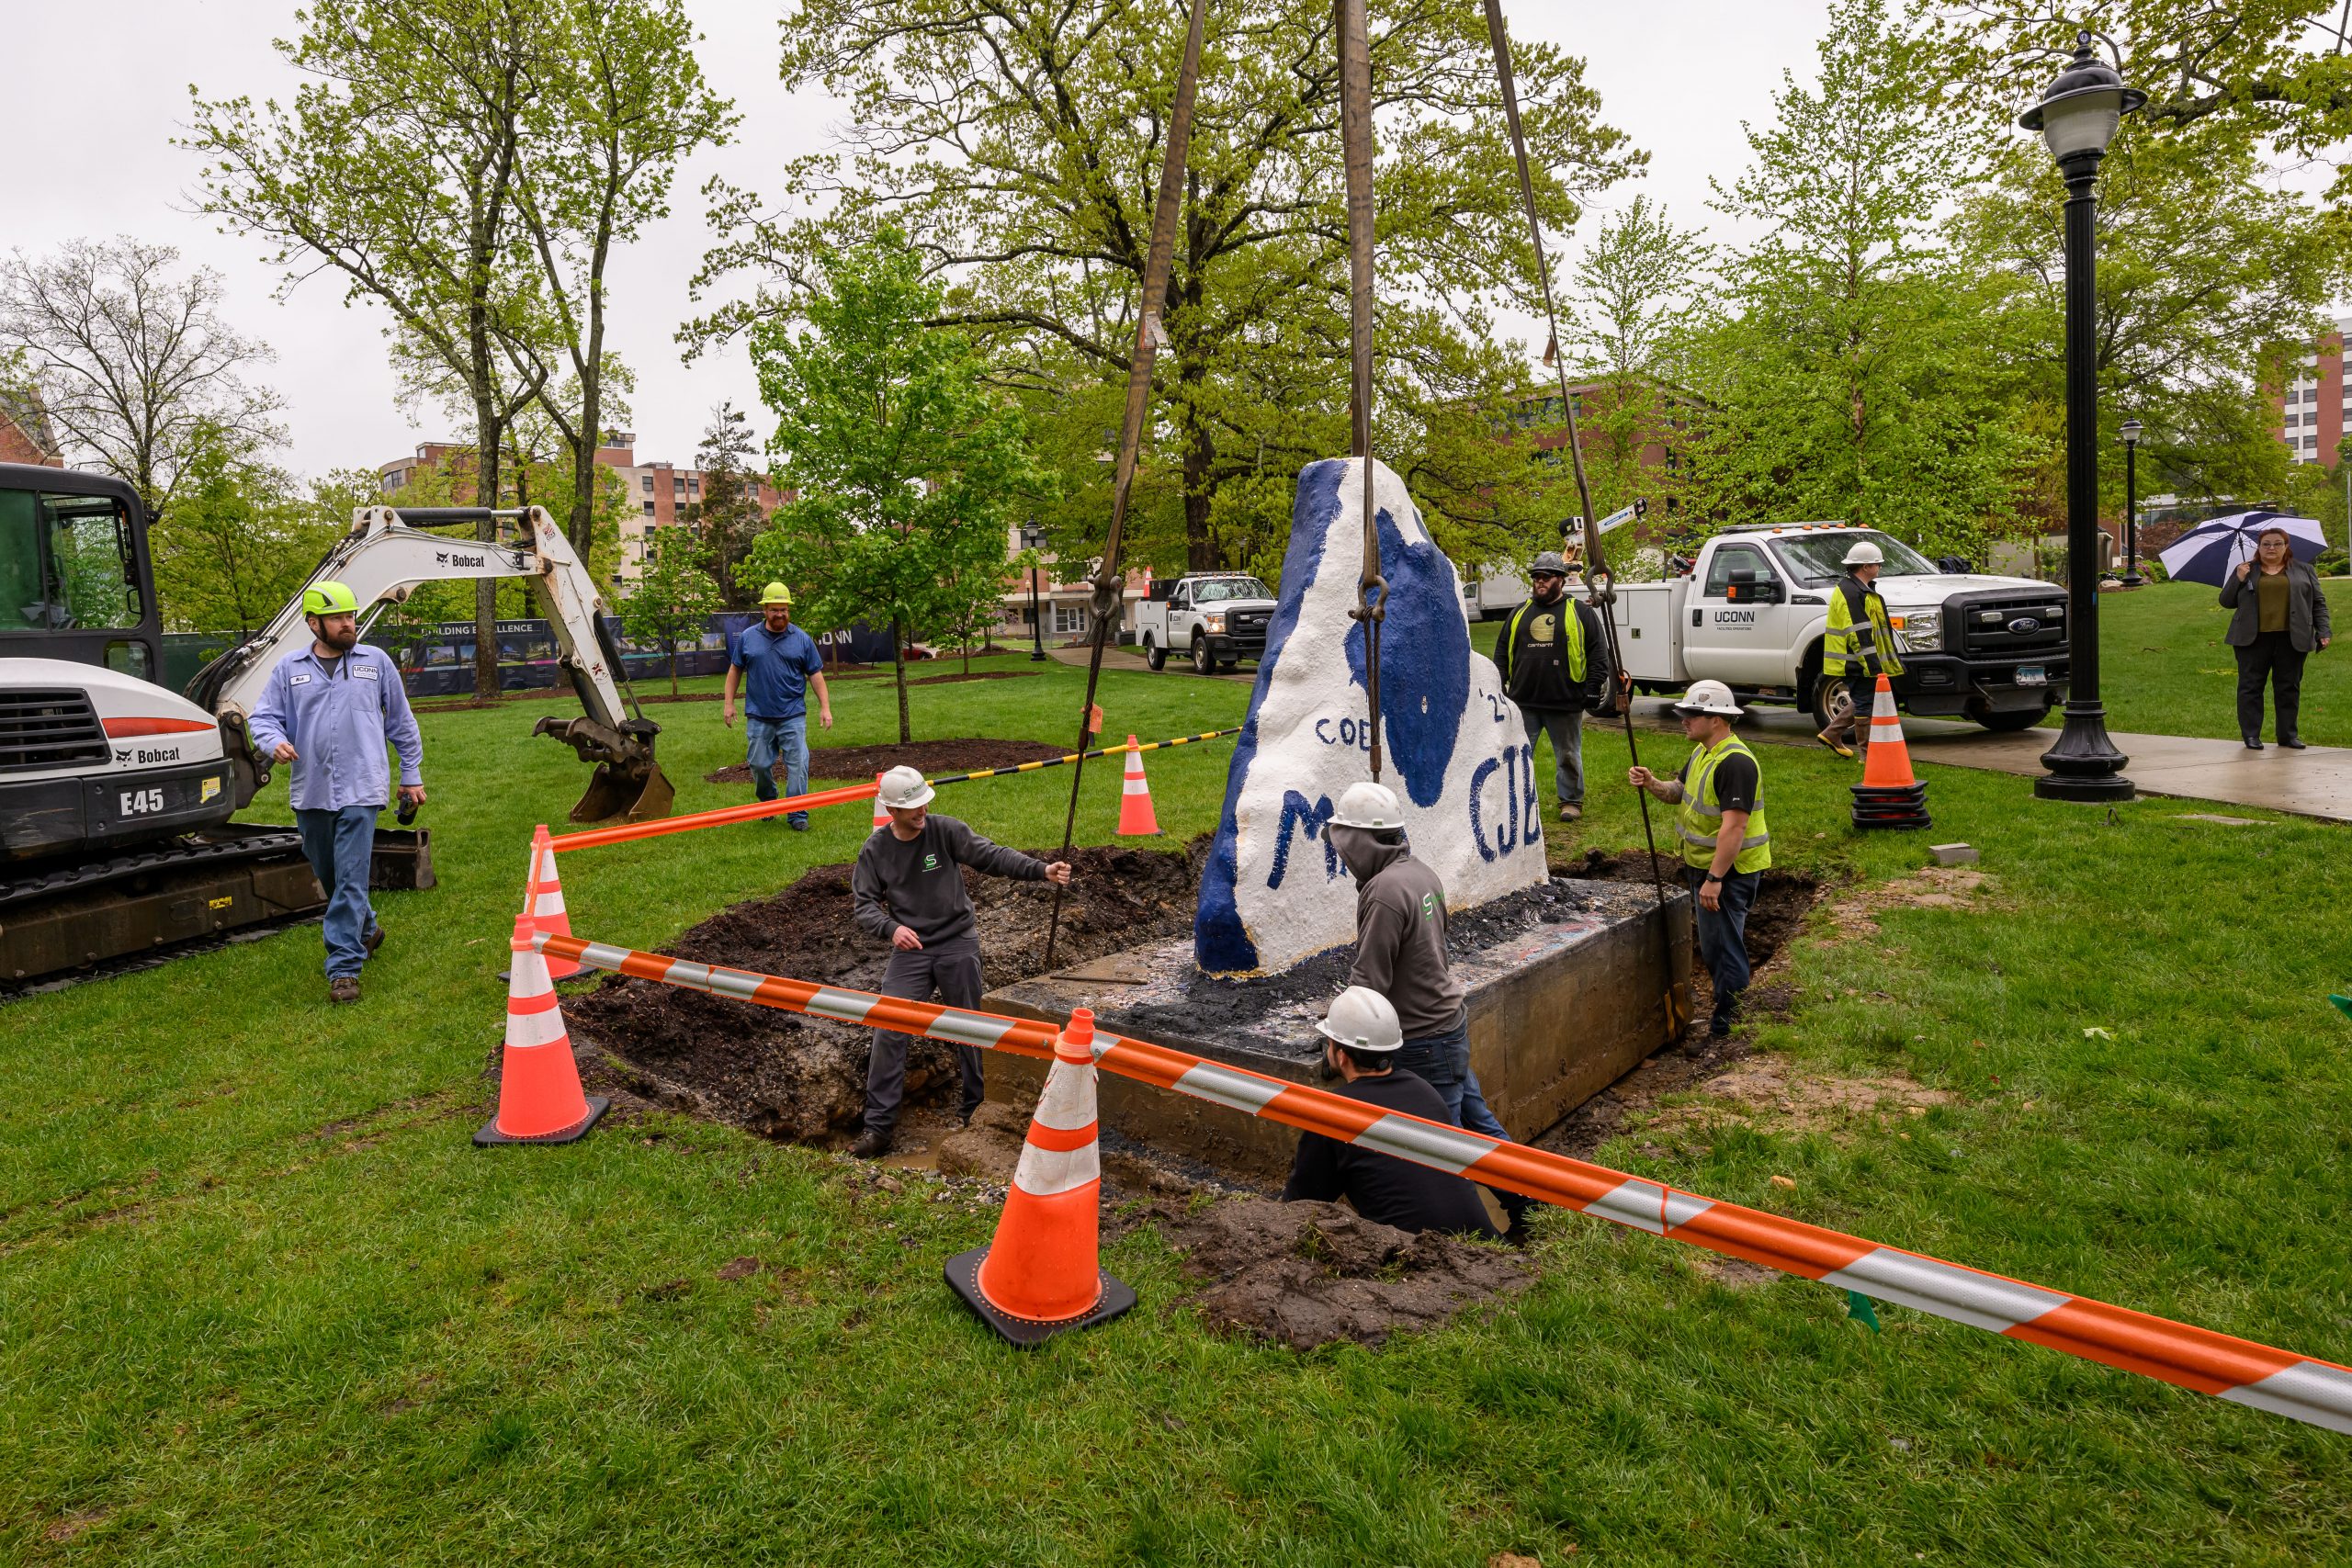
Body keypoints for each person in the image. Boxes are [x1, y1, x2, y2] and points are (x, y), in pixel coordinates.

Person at [1325, 779, 1530, 1239]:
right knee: (1482, 1130)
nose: (1341, 855)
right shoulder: (1420, 874)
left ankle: (1468, 1247)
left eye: (1344, 845)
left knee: (1444, 1153)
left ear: (1359, 841)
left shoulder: (1382, 892)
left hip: (1421, 1040)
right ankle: (1533, 1208)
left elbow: (1369, 982)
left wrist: (1337, 1043)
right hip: (1449, 1026)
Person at [848, 765, 1071, 1157]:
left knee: (972, 1028)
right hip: (910, 950)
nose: (922, 812)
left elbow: (990, 855)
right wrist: (890, 929)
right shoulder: (876, 850)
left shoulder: (944, 830)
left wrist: (1040, 870)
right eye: (913, 807)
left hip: (956, 943)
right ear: (891, 810)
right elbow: (864, 905)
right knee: (888, 1026)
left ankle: (976, 1111)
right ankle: (878, 1128)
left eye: (924, 804)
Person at [245, 580, 424, 1005]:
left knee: (349, 877)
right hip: (312, 791)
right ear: (313, 623)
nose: (349, 625)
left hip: (363, 786)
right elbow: (264, 718)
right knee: (328, 871)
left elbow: (401, 721)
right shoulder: (290, 668)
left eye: (352, 616)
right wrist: (273, 742)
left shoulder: (376, 662)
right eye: (339, 618)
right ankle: (367, 928)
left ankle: (344, 967)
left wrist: (411, 773)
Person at [1282, 987, 1503, 1239]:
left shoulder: (1333, 1113)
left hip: (1423, 1257)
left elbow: (1302, 1205)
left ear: (1341, 1056)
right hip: (1485, 1247)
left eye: (1330, 1043)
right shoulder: (1424, 1091)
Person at [1628, 680, 1770, 1039]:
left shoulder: (1736, 763)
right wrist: (1651, 783)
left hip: (1728, 874)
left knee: (1723, 950)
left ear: (1718, 720)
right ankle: (1727, 1015)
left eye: (1692, 714)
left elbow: (1734, 828)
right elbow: (1678, 793)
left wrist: (1715, 879)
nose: (1683, 720)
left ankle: (1728, 1025)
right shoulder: (1703, 753)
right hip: (1704, 869)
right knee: (1714, 946)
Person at [1493, 549, 1616, 823]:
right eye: (1536, 577)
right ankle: (1516, 801)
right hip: (1523, 701)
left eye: (1546, 577)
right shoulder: (1519, 613)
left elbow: (1599, 653)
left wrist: (1594, 687)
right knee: (1517, 755)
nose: (1540, 581)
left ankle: (1570, 801)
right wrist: (1498, 681)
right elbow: (1502, 651)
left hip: (1565, 701)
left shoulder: (1579, 612)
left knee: (1568, 756)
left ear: (1560, 580)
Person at [722, 581, 832, 827]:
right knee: (759, 765)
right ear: (765, 610)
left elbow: (816, 675)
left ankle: (797, 814)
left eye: (784, 609)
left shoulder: (801, 639)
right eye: (775, 609)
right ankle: (769, 802)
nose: (780, 614)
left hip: (792, 715)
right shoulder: (749, 638)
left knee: (798, 765)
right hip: (759, 716)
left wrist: (825, 708)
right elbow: (734, 670)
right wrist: (729, 704)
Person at [2221, 527, 2331, 749]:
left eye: (2277, 543)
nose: (2271, 548)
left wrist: (2324, 631)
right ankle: (2251, 735)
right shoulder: (2245, 570)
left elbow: (2318, 603)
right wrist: (2238, 579)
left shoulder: (2304, 570)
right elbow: (2226, 601)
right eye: (2266, 544)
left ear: (2286, 546)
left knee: (2288, 688)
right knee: (2250, 688)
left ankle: (2288, 735)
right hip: (2252, 640)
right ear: (2259, 547)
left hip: (2292, 638)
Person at [1817, 539, 1901, 759]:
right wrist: (1873, 665)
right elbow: (1858, 634)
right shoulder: (1852, 593)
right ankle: (1868, 755)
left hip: (1858, 660)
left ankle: (1832, 733)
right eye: (1877, 563)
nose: (1879, 567)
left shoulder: (1858, 590)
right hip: (1855, 661)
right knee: (1865, 703)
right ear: (1866, 567)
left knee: (1866, 698)